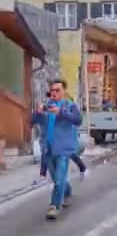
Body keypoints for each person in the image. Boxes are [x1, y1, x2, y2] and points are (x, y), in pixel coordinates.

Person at [32, 79, 83, 219]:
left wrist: (60, 112)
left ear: (64, 91)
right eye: (52, 90)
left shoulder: (70, 106)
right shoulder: (46, 106)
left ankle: (54, 206)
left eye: (57, 90)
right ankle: (67, 191)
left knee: (59, 179)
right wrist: (37, 113)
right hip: (48, 149)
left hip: (63, 149)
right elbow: (32, 121)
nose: (54, 93)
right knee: (57, 178)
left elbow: (78, 120)